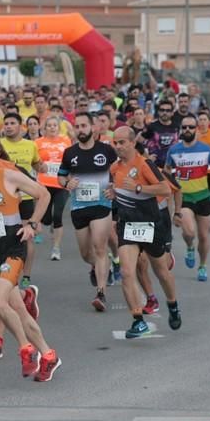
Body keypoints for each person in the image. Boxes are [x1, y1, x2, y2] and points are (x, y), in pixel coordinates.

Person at [0, 135, 61, 381]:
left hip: (12, 249)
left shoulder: (9, 176)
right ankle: (49, 355)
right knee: (19, 311)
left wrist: (33, 224)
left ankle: (26, 350)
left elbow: (43, 195)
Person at [108, 126, 181, 338]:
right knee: (127, 272)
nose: (118, 147)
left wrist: (139, 188)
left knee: (162, 272)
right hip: (128, 225)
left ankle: (173, 304)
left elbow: (165, 190)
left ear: (132, 143)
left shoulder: (144, 164)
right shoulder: (114, 168)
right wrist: (113, 193)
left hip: (151, 224)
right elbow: (120, 190)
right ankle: (138, 320)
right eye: (115, 143)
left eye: (122, 142)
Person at [57, 113, 118, 311]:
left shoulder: (107, 150)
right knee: (85, 253)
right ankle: (100, 266)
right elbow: (61, 177)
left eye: (84, 125)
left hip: (101, 205)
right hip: (79, 206)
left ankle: (101, 294)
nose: (80, 129)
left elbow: (121, 170)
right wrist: (67, 183)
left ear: (93, 127)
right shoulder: (69, 153)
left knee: (100, 247)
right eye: (77, 126)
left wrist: (114, 188)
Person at [165, 115, 210, 282]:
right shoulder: (174, 150)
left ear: (196, 129)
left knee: (204, 236)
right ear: (181, 130)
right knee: (189, 232)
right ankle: (190, 247)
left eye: (191, 127)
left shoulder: (206, 149)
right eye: (184, 127)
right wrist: (168, 186)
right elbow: (168, 170)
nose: (187, 130)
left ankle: (202, 266)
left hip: (203, 196)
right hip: (184, 198)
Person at [0, 112, 44, 288]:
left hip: (25, 197)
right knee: (5, 237)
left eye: (12, 123)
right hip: (4, 198)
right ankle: (6, 271)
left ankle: (26, 275)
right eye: (6, 123)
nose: (8, 126)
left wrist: (43, 167)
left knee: (27, 237)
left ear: (20, 126)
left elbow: (36, 164)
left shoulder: (30, 145)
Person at [35, 116, 72, 260]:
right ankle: (49, 224)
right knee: (46, 219)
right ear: (44, 128)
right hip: (44, 184)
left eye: (54, 125)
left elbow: (70, 161)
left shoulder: (66, 141)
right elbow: (35, 162)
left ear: (58, 127)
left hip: (61, 183)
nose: (51, 128)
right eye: (48, 125)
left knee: (58, 215)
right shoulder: (38, 143)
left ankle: (56, 248)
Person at [139, 99, 178, 165]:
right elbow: (137, 142)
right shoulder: (151, 126)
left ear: (172, 113)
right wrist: (146, 157)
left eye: (168, 110)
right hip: (155, 166)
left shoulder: (177, 126)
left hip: (172, 165)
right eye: (162, 110)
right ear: (158, 112)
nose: (164, 112)